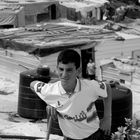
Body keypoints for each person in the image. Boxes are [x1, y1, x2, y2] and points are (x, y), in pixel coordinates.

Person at [30, 49, 112, 140]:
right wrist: (49, 102)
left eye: (69, 70)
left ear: (78, 71)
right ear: (57, 68)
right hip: (69, 138)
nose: (64, 74)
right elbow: (32, 84)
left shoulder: (89, 87)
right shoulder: (50, 91)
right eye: (61, 69)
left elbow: (107, 88)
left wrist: (107, 118)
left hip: (94, 135)